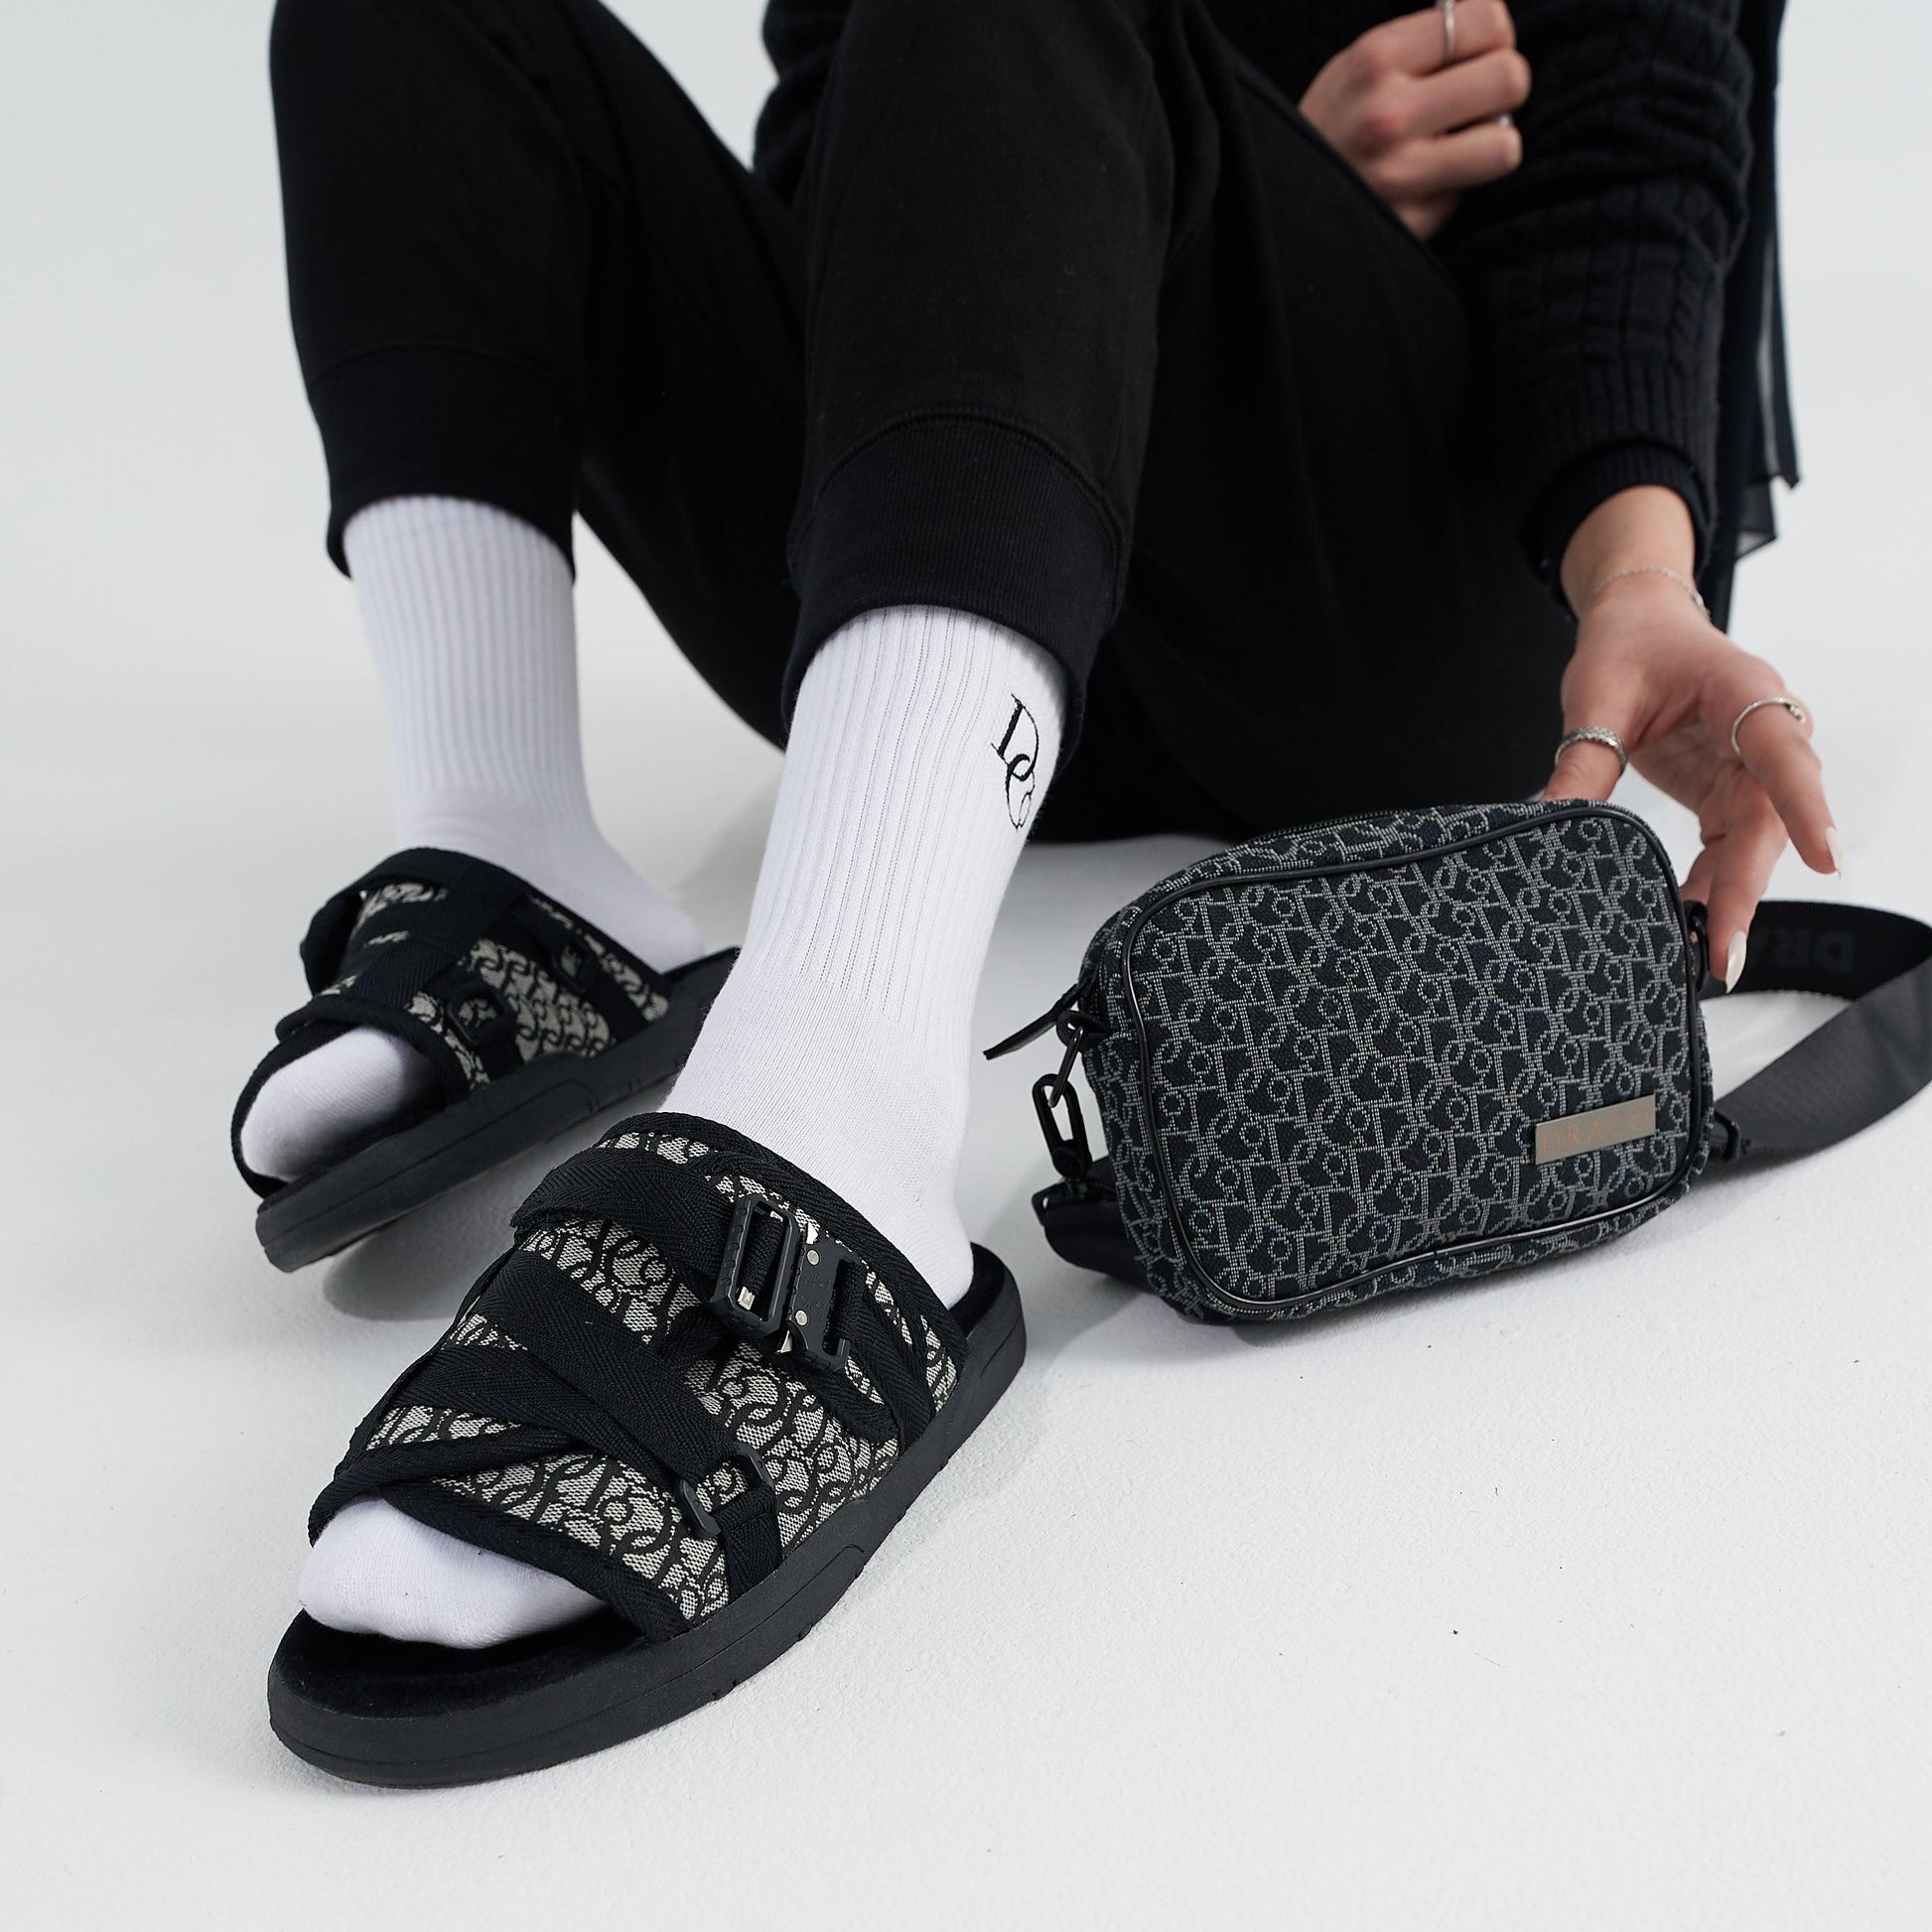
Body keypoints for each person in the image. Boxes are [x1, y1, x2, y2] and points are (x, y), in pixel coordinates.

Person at [245, 0, 1841, 1773]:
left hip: (1390, 597)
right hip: (937, 540)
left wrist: (1636, 569)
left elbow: (1628, 169)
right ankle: (516, 839)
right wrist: (1130, 165)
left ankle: (841, 1093)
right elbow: (855, 130)